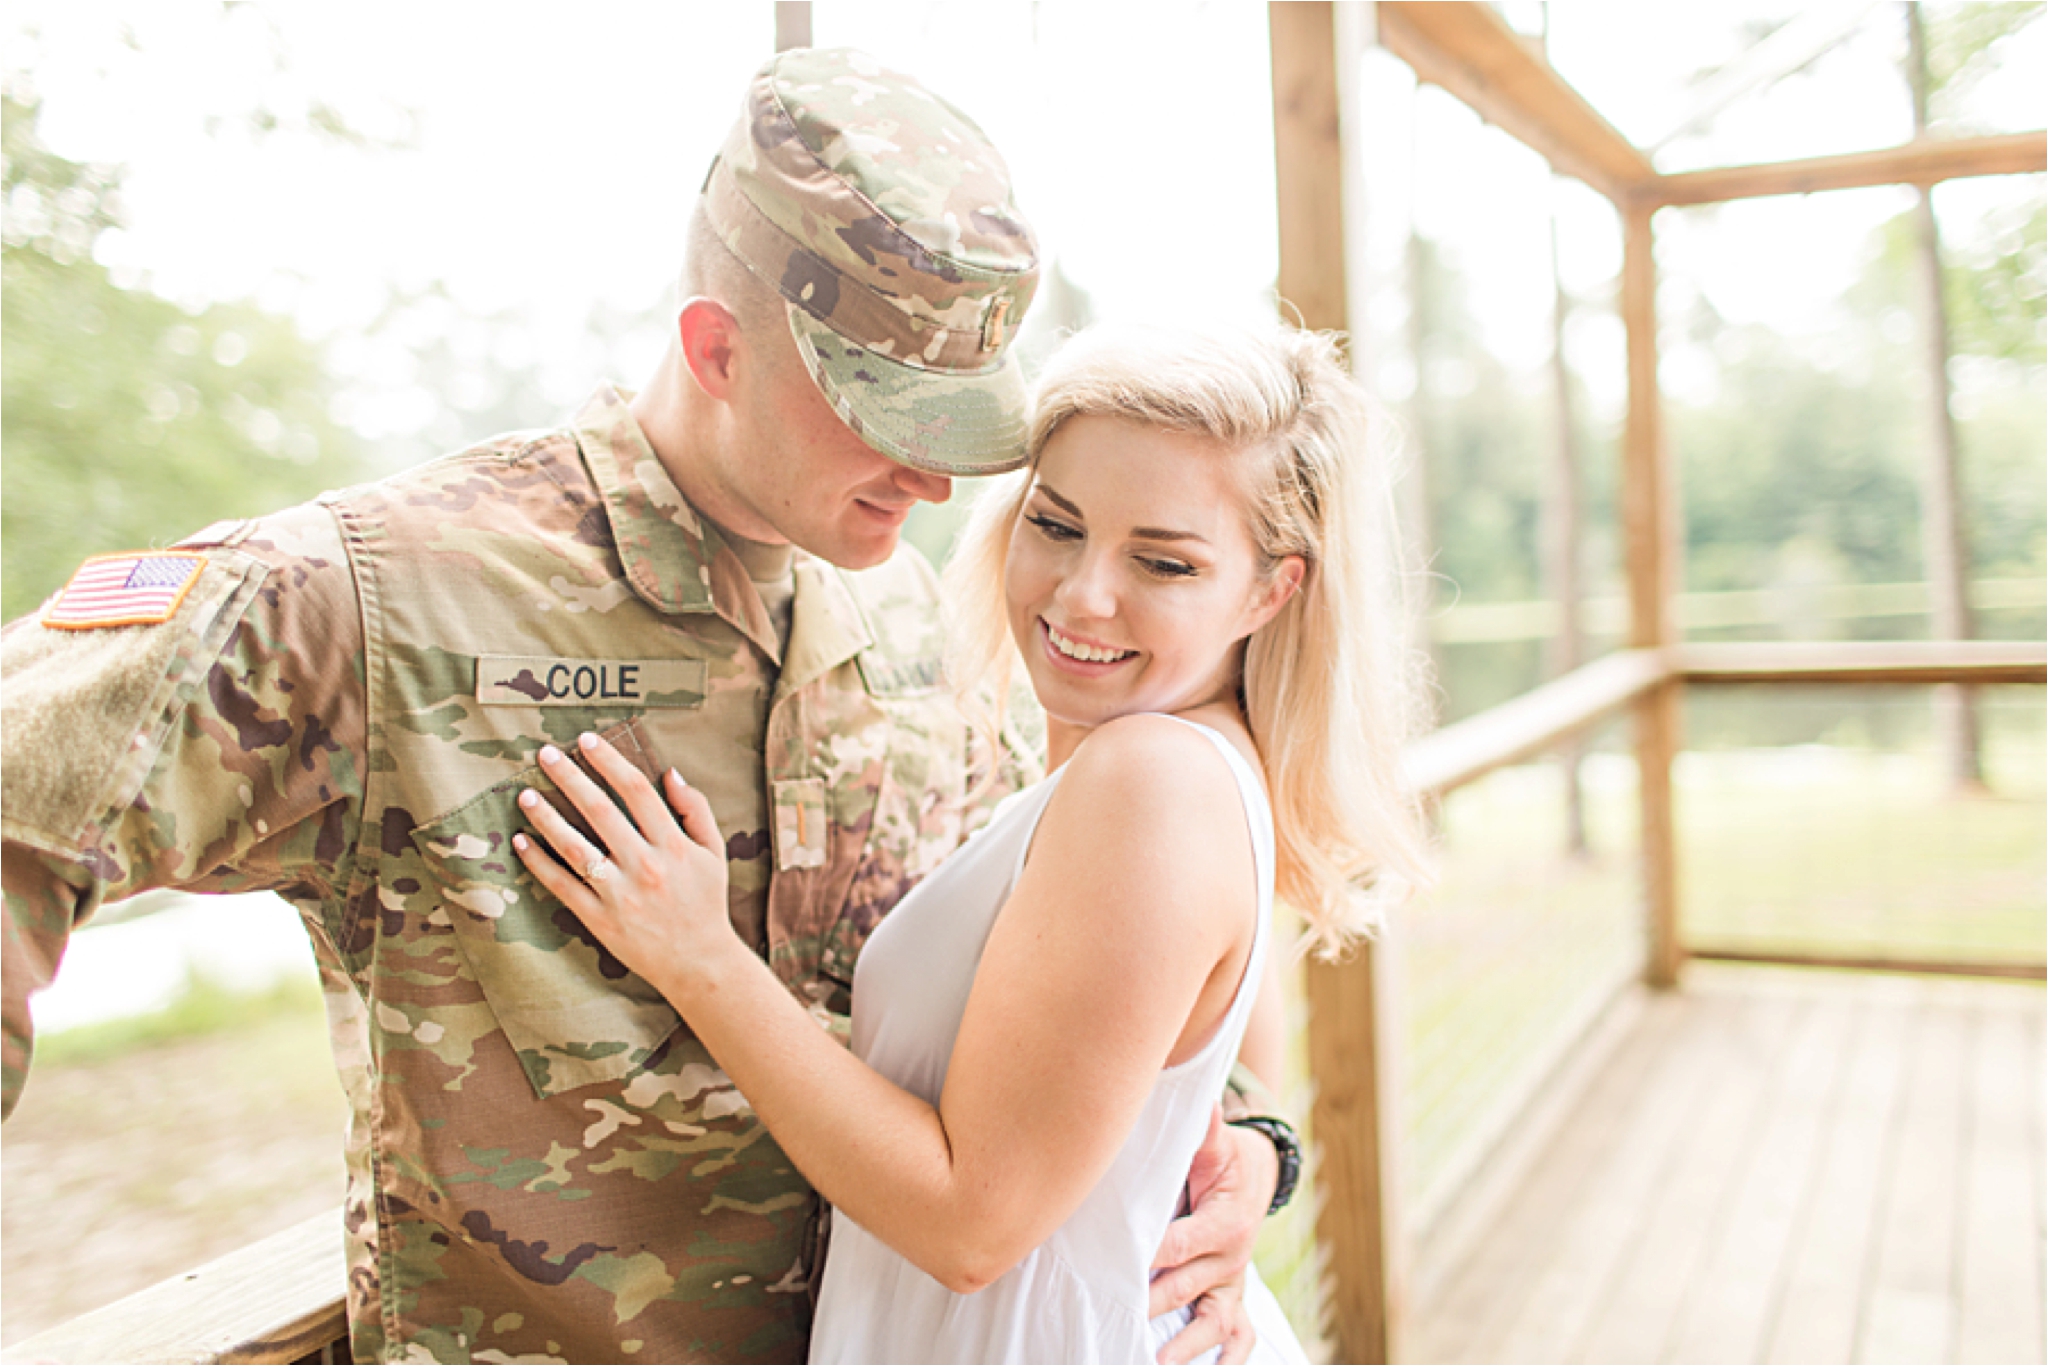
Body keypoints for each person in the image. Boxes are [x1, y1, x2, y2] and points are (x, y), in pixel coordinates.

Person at [0, 48, 1291, 1364]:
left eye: (961, 427)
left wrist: (1239, 1141)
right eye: (881, 413)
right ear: (715, 348)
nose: (935, 478)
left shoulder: (921, 628)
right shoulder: (386, 602)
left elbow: (1084, 957)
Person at [513, 323, 1435, 1362]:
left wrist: (699, 957)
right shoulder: (1172, 756)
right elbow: (1220, 1049)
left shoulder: (1152, 780)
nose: (1083, 594)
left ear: (1271, 588)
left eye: (1163, 561)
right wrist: (1256, 1148)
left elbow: (968, 1225)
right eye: (1055, 524)